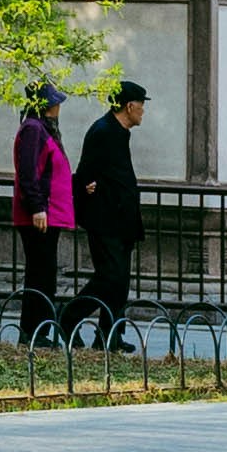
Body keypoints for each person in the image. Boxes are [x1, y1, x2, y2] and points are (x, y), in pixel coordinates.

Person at [74, 74, 147, 350]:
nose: (143, 111)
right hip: (105, 221)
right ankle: (68, 318)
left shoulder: (119, 132)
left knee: (120, 281)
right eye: (141, 105)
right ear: (129, 106)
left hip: (121, 222)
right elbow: (84, 175)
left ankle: (110, 335)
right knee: (109, 277)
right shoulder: (102, 131)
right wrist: (89, 188)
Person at [13, 80, 75, 341]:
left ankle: (40, 331)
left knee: (45, 274)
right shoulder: (34, 130)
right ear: (47, 105)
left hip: (50, 214)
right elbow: (28, 172)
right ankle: (32, 332)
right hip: (40, 216)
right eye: (55, 102)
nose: (59, 107)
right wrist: (38, 207)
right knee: (40, 275)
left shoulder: (42, 129)